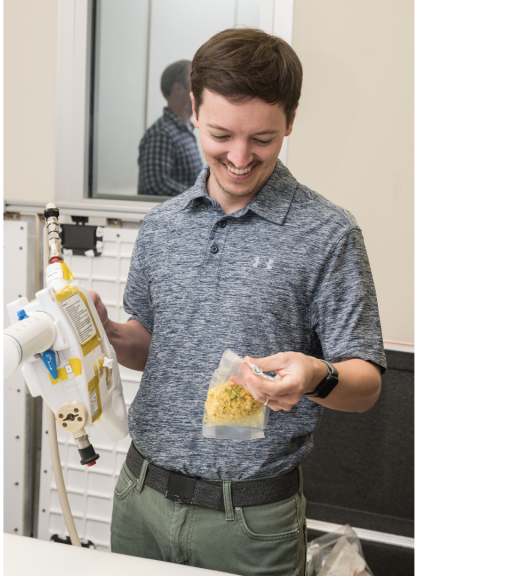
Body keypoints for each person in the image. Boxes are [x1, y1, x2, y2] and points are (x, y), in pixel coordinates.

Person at [90, 28, 385, 576]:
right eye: (221, 134)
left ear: (290, 122)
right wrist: (105, 332)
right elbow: (148, 346)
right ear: (193, 111)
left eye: (264, 139)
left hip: (250, 522)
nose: (240, 157)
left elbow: (366, 384)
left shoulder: (329, 233)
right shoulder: (162, 226)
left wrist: (317, 374)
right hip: (140, 499)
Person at [137, 60, 205, 196]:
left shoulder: (186, 131)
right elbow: (154, 185)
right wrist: (201, 196)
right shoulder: (162, 134)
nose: (202, 89)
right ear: (178, 89)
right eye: (195, 83)